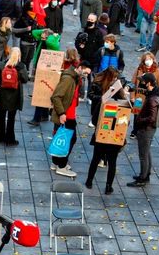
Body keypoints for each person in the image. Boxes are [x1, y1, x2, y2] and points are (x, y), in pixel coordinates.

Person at [85, 77, 130, 195]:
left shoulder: (104, 101)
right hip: (115, 140)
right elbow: (126, 123)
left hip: (101, 137)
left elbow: (94, 120)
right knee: (112, 163)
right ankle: (108, 186)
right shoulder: (125, 105)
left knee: (95, 159)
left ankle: (89, 181)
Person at [50, 49, 86, 177]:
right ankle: (62, 165)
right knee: (69, 140)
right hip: (66, 115)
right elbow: (56, 96)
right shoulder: (68, 79)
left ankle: (56, 162)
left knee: (61, 138)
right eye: (85, 70)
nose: (86, 73)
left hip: (69, 113)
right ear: (79, 68)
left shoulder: (74, 78)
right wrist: (61, 113)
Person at [128, 73, 159, 187]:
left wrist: (139, 119)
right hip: (148, 129)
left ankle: (142, 178)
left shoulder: (152, 99)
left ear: (148, 83)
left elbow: (151, 118)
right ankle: (146, 174)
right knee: (147, 152)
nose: (141, 83)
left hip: (146, 129)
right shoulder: (153, 94)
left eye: (143, 81)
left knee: (143, 155)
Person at [0, 47, 29, 145]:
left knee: (1, 115)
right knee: (11, 117)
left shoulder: (2, 64)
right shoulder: (21, 66)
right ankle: (10, 139)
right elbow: (25, 79)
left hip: (3, 94)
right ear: (19, 55)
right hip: (15, 95)